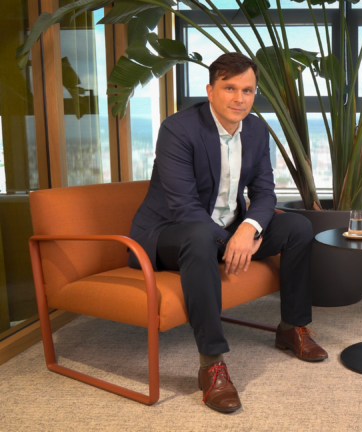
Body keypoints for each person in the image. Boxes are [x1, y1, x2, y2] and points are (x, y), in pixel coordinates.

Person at [127, 53, 327, 413]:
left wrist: (248, 228)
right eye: (229, 88)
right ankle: (211, 365)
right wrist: (229, 239)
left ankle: (291, 328)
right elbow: (184, 208)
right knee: (199, 235)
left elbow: (265, 194)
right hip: (168, 235)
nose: (239, 98)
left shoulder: (256, 130)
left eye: (247, 90)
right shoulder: (178, 129)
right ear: (210, 91)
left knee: (298, 226)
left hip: (227, 231)